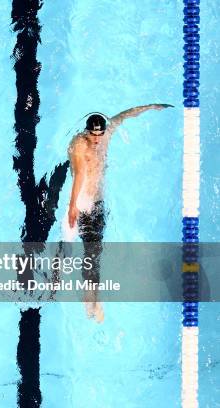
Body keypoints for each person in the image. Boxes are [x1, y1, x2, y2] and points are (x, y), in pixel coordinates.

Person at [67, 103, 173, 322]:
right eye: (92, 134)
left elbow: (124, 115)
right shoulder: (79, 144)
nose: (96, 139)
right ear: (86, 132)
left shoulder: (106, 134)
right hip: (85, 204)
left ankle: (90, 296)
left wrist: (152, 107)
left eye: (100, 134)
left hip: (98, 203)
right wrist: (72, 206)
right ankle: (93, 300)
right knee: (92, 253)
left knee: (95, 251)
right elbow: (79, 174)